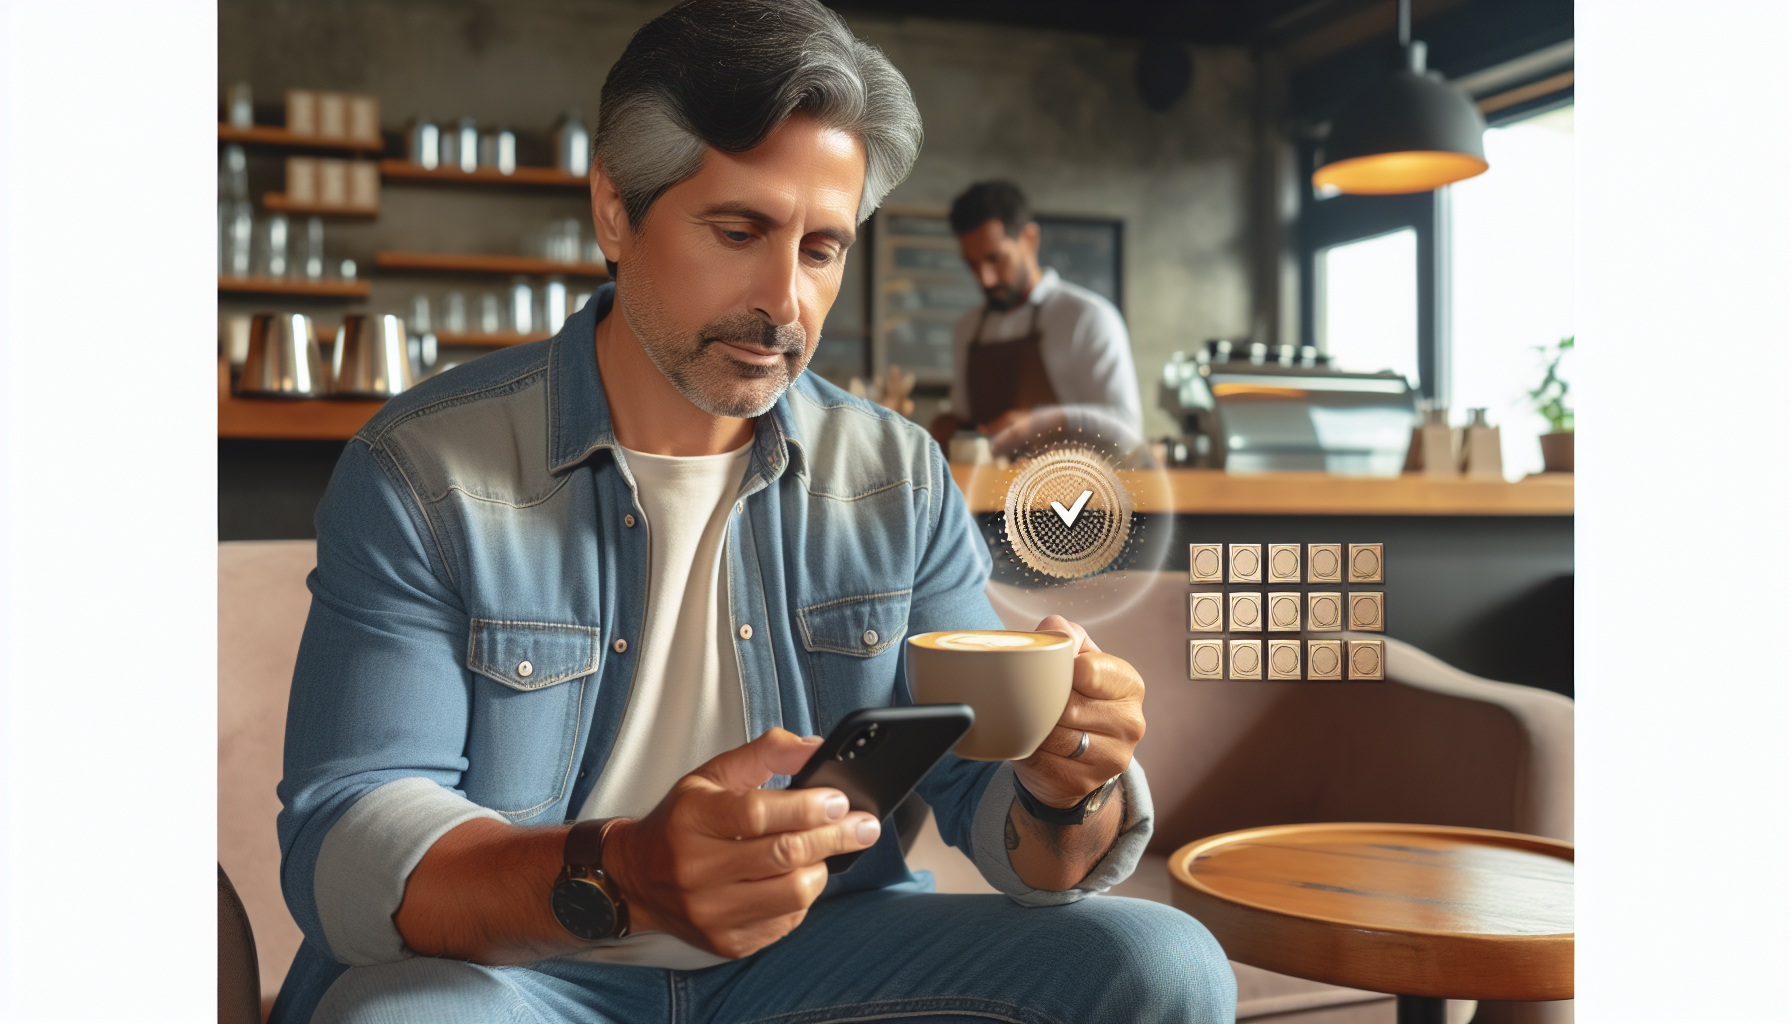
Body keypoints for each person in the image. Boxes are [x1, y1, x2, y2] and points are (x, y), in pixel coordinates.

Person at [272, 2, 1235, 1022]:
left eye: (822, 247)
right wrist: (627, 871)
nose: (786, 301)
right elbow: (349, 833)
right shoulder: (423, 465)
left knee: (1159, 963)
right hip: (521, 967)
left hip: (821, 949)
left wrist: (1065, 783)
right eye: (740, 231)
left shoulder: (896, 475)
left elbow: (999, 817)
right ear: (614, 209)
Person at [929, 181, 1143, 447]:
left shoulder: (1087, 318)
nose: (985, 279)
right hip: (982, 487)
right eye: (972, 264)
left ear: (1029, 239)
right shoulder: (967, 329)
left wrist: (1046, 421)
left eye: (995, 259)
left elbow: (1128, 429)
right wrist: (950, 424)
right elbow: (966, 420)